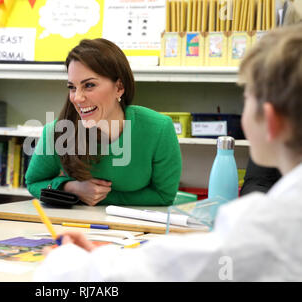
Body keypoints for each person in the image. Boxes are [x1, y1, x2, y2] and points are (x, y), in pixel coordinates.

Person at [34, 24, 302, 281]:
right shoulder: (279, 213)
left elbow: (177, 268)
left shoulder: (267, 222)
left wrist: (71, 264)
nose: (77, 97)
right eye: (72, 87)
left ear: (270, 121)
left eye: (247, 100)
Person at [25, 38, 182, 206]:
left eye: (89, 85)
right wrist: (71, 188)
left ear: (119, 87)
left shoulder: (159, 128)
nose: (77, 97)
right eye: (72, 87)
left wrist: (102, 197)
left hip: (136, 228)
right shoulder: (58, 130)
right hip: (75, 226)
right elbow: (34, 183)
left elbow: (164, 195)